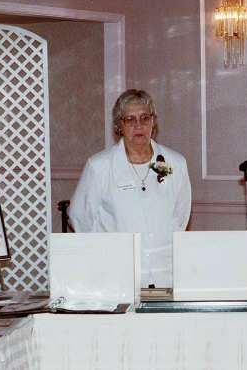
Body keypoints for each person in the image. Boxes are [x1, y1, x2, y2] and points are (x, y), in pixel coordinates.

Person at [69, 89, 192, 288]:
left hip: (165, 275)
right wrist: (103, 255)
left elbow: (180, 216)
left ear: (153, 121)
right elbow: (80, 217)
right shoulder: (100, 166)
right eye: (130, 119)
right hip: (116, 275)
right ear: (119, 125)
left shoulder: (175, 164)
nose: (138, 125)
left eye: (145, 118)